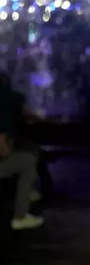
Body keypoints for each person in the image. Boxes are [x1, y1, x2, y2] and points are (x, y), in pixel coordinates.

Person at [0, 73, 44, 230]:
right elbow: (2, 150)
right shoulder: (9, 103)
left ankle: (27, 190)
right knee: (27, 160)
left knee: (27, 151)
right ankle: (21, 216)